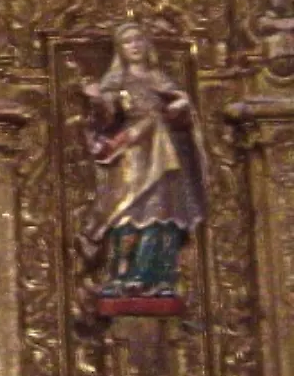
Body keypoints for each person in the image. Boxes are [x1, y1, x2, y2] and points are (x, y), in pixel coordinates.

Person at [79, 23, 207, 298]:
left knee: (162, 214)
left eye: (138, 40)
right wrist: (99, 100)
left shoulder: (161, 79)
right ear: (120, 50)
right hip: (132, 151)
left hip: (164, 153)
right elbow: (106, 119)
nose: (134, 46)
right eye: (127, 42)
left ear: (147, 45)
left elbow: (183, 118)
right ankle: (123, 275)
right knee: (127, 212)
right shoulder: (116, 81)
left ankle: (160, 277)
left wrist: (182, 106)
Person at [257, 0, 294, 76]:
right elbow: (265, 25)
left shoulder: (289, 16)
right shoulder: (264, 19)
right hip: (273, 56)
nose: (278, 0)